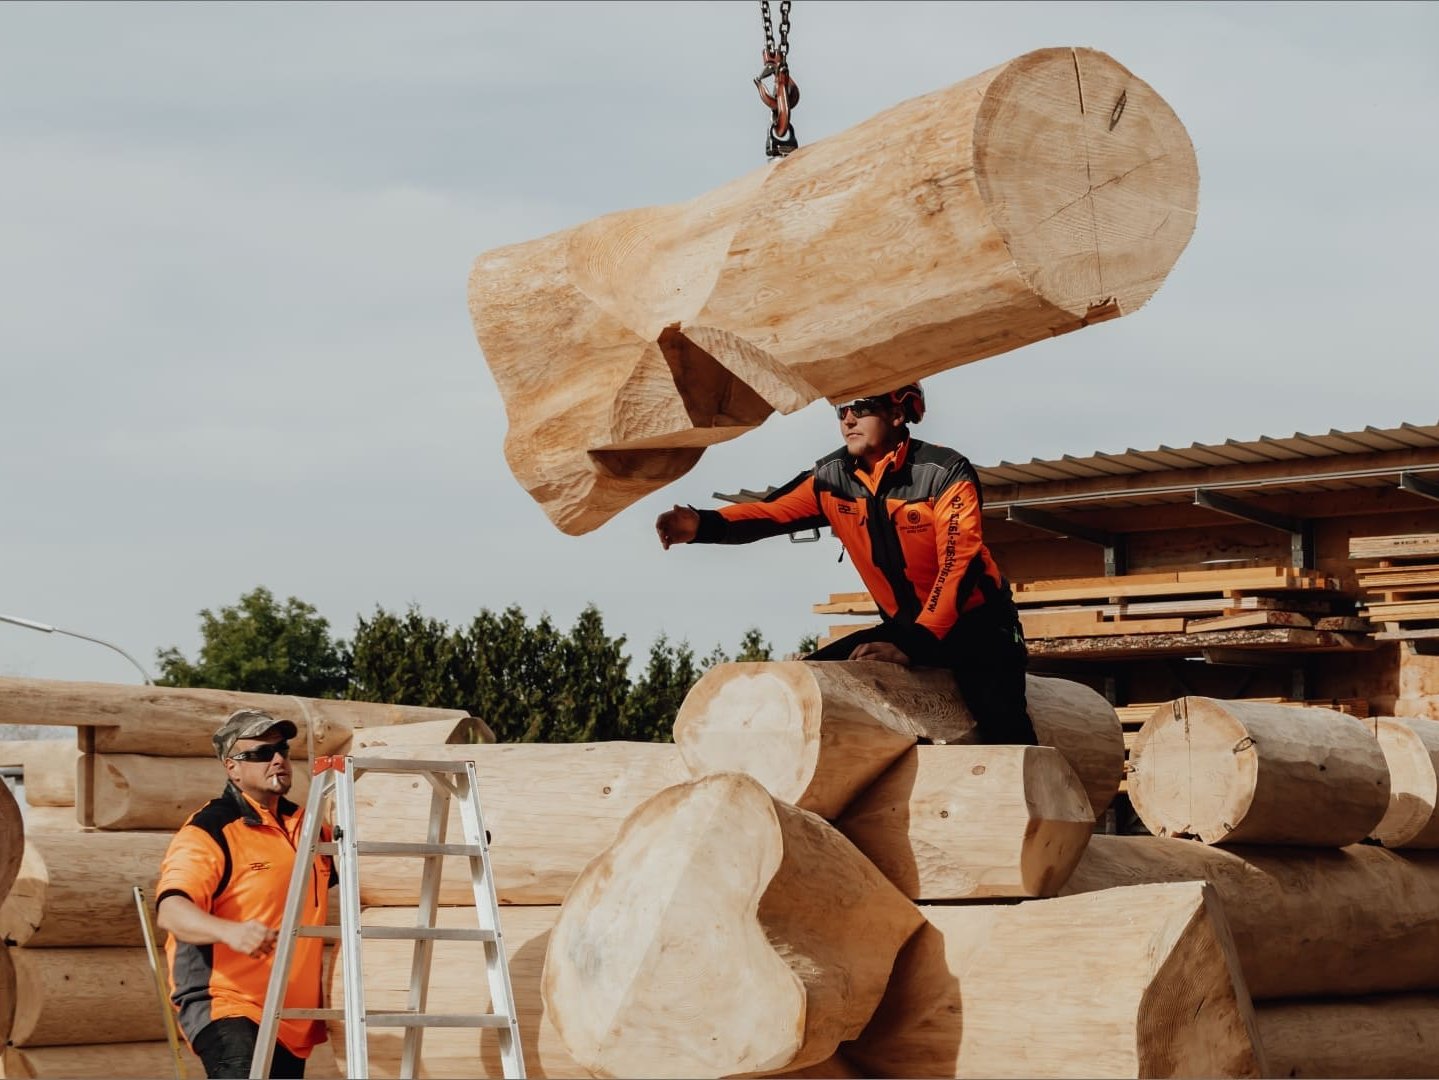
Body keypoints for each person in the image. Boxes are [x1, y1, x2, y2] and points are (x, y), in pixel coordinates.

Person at [656, 382, 1037, 745]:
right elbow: (769, 513)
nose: (848, 419)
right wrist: (701, 525)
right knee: (808, 683)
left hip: (980, 630)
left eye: (863, 407)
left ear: (897, 413)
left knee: (1004, 730)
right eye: (842, 410)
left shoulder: (945, 473)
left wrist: (918, 646)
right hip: (905, 629)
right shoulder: (832, 478)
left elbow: (960, 564)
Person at [155, 708, 333, 1078]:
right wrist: (229, 931)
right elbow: (171, 910)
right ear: (231, 767)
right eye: (261, 753)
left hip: (290, 1016)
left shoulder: (310, 827)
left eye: (282, 749)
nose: (278, 760)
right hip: (226, 1005)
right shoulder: (210, 830)